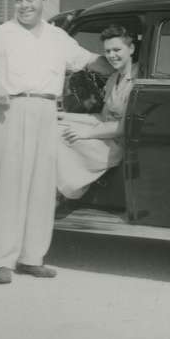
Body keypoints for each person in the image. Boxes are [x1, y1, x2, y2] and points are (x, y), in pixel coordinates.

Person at [0, 0, 108, 285]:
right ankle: (3, 261)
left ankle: (32, 258)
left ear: (43, 0)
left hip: (46, 110)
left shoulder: (58, 37)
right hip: (11, 110)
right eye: (18, 0)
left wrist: (123, 60)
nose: (24, 5)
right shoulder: (1, 34)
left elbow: (90, 61)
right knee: (10, 184)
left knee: (42, 187)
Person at [56, 24, 138, 206]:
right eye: (107, 51)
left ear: (131, 49)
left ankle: (67, 192)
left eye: (117, 50)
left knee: (58, 136)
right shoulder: (113, 79)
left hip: (118, 143)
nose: (111, 56)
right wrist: (62, 116)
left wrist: (86, 133)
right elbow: (102, 117)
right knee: (53, 127)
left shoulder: (137, 79)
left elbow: (123, 127)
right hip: (104, 134)